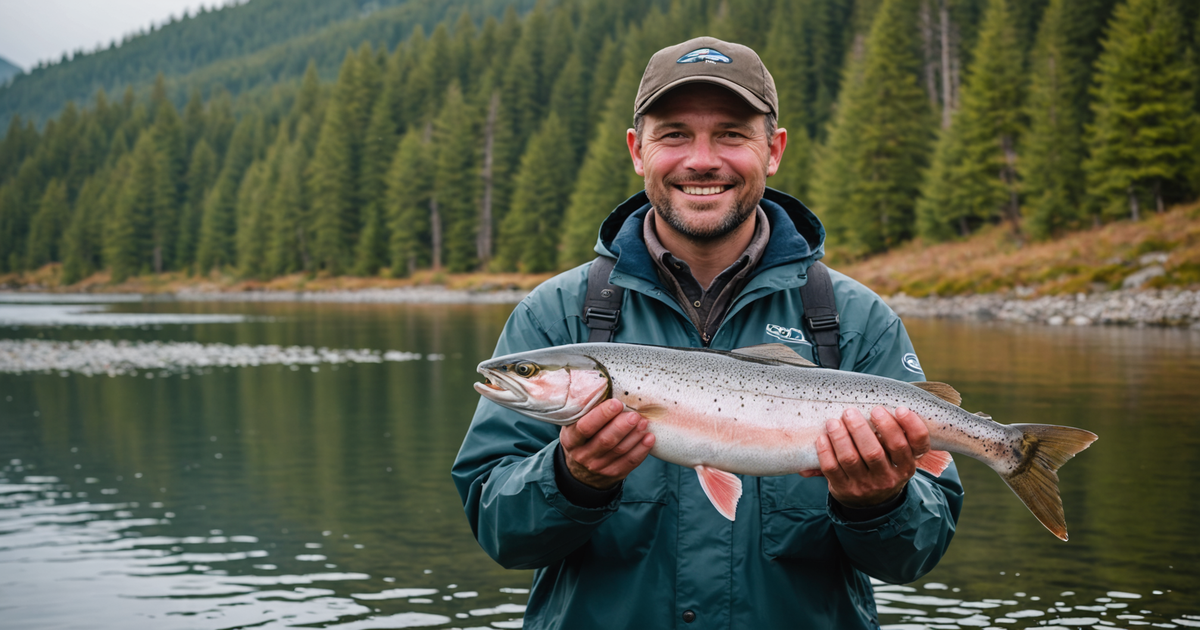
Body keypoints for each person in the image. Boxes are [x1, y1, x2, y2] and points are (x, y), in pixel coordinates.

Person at [452, 36, 963, 629]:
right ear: (637, 151)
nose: (701, 159)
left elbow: (917, 553)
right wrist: (571, 482)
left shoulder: (856, 319)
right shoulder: (556, 314)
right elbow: (501, 536)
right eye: (673, 134)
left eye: (730, 133)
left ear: (772, 151)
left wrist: (879, 502)